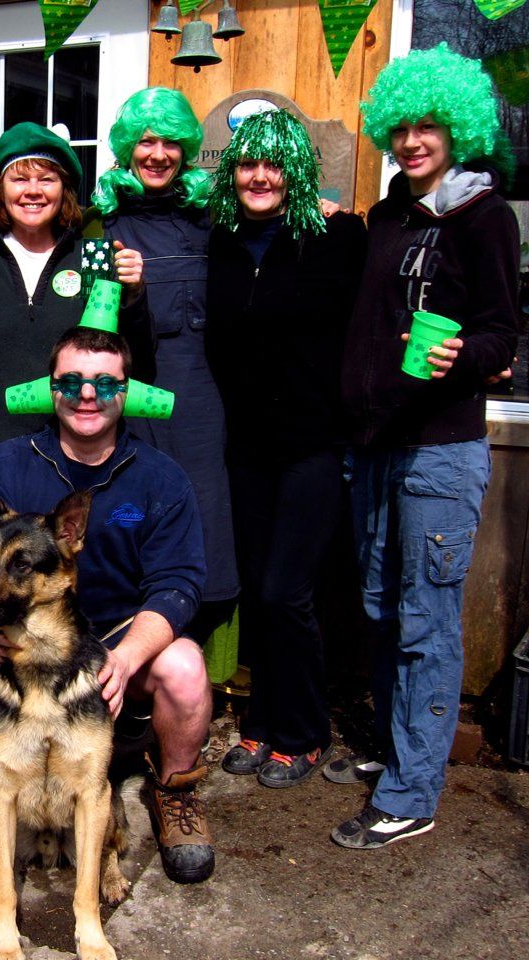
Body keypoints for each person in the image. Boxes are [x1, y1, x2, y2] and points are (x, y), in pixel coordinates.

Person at [0, 326, 218, 885]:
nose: (87, 394)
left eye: (104, 383)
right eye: (73, 380)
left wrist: (125, 659)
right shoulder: (10, 462)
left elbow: (178, 584)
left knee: (184, 668)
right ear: (51, 387)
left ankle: (174, 789)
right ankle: (19, 776)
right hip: (23, 638)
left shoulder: (160, 477)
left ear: (125, 390)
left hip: (117, 636)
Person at [333, 44, 518, 849]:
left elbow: (502, 334)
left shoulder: (485, 216)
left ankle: (412, 793)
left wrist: (463, 355)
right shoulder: (389, 218)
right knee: (381, 608)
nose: (413, 141)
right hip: (375, 444)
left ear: (458, 129)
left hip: (439, 451)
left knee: (425, 621)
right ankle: (396, 749)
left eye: (429, 127)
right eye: (401, 127)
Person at [202, 109, 367, 788]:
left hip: (312, 446)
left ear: (297, 171)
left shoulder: (337, 236)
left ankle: (304, 732)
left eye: (275, 164)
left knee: (286, 592)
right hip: (245, 449)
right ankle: (263, 721)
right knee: (256, 590)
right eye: (248, 163)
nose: (260, 176)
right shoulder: (219, 240)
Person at [92, 87, 239, 639]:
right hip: (126, 395)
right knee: (130, 506)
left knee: (202, 509)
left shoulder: (209, 217)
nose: (158, 154)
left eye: (171, 143)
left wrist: (320, 208)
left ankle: (198, 648)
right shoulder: (101, 220)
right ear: (128, 146)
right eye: (146, 141)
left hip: (199, 395)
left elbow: (265, 241)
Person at [0, 122, 146, 447]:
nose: (33, 191)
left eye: (47, 179)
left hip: (79, 453)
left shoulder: (94, 260)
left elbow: (134, 358)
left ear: (64, 188)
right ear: (1, 189)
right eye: (19, 179)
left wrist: (134, 296)